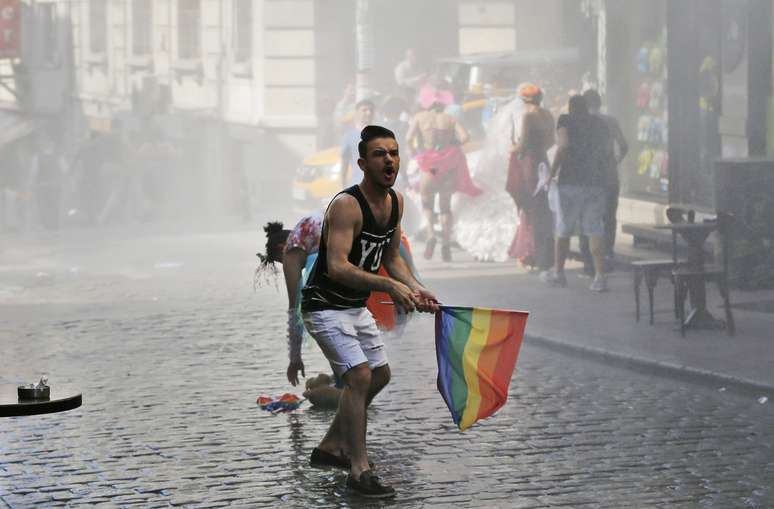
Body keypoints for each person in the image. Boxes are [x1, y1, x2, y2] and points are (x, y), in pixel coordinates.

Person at [300, 125, 438, 498]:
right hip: (324, 307)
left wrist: (415, 287)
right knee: (359, 376)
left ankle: (331, 446)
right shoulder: (346, 205)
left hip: (354, 307)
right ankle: (359, 470)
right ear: (362, 163)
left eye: (393, 152)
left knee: (379, 375)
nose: (389, 160)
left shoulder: (396, 202)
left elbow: (392, 257)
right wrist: (390, 287)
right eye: (379, 154)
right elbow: (338, 265)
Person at [541, 95, 611, 292]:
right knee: (594, 228)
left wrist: (552, 173)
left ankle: (559, 273)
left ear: (571, 108)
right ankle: (599, 276)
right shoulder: (600, 123)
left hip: (571, 182)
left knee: (563, 227)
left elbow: (562, 146)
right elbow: (607, 151)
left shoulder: (566, 120)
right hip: (596, 183)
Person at [406, 101, 481, 262]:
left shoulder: (420, 117)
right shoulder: (450, 119)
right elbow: (465, 137)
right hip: (447, 165)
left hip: (430, 166)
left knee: (427, 203)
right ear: (442, 108)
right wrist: (453, 145)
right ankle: (446, 242)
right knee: (445, 207)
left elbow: (408, 139)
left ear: (429, 107)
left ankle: (431, 235)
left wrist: (415, 155)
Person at [578, 89, 629, 275]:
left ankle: (589, 264)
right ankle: (607, 256)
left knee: (587, 220)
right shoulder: (611, 121)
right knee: (609, 219)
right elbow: (624, 146)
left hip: (588, 179)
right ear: (599, 103)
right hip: (609, 177)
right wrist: (615, 162)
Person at [506, 83, 556, 272]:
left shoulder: (528, 116)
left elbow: (523, 143)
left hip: (528, 163)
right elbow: (552, 140)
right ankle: (545, 255)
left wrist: (513, 148)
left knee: (528, 207)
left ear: (525, 100)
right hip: (543, 161)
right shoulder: (548, 115)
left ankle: (531, 253)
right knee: (543, 208)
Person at [340, 99, 376, 189]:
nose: (368, 113)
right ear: (357, 113)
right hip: (358, 187)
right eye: (364, 110)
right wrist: (343, 186)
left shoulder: (381, 135)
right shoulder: (349, 136)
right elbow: (344, 164)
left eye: (370, 110)